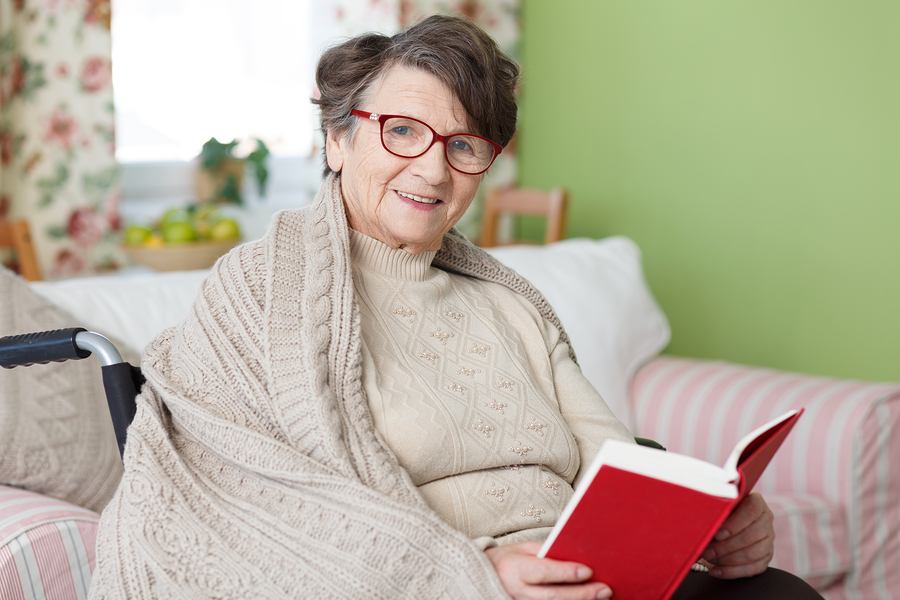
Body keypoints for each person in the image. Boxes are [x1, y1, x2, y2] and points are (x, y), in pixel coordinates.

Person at [88, 15, 823, 600]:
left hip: (583, 578)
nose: (433, 168)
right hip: (438, 581)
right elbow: (257, 502)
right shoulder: (261, 292)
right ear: (337, 138)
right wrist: (479, 574)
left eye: (465, 144)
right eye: (402, 131)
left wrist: (705, 525)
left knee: (781, 592)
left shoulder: (509, 303)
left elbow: (615, 460)